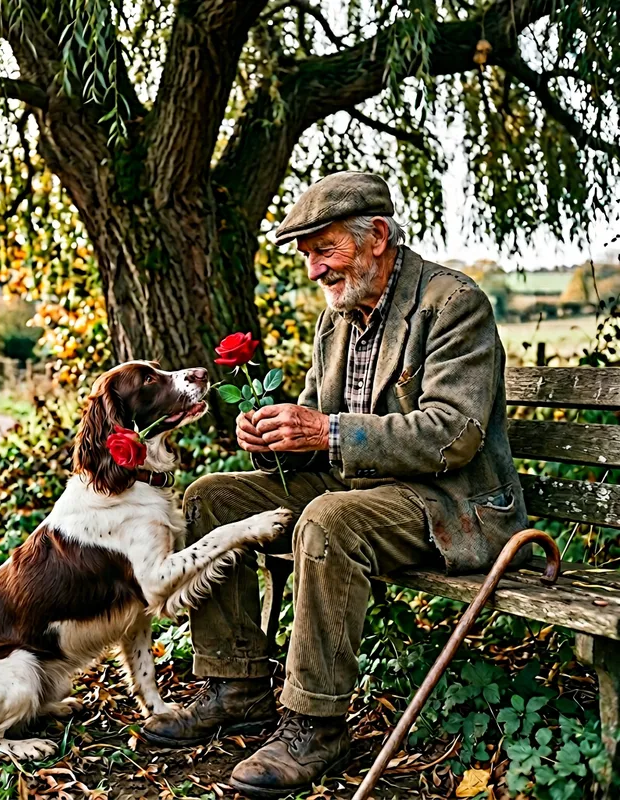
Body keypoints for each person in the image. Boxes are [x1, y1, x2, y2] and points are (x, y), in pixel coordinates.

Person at [141, 171, 528, 798]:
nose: (315, 270)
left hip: (449, 501)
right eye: (307, 256)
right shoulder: (338, 321)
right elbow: (319, 429)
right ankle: (237, 688)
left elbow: (454, 433)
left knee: (330, 518)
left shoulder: (452, 304)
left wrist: (324, 433)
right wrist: (276, 439)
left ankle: (315, 726)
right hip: (357, 486)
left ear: (376, 237)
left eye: (325, 250)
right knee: (212, 497)